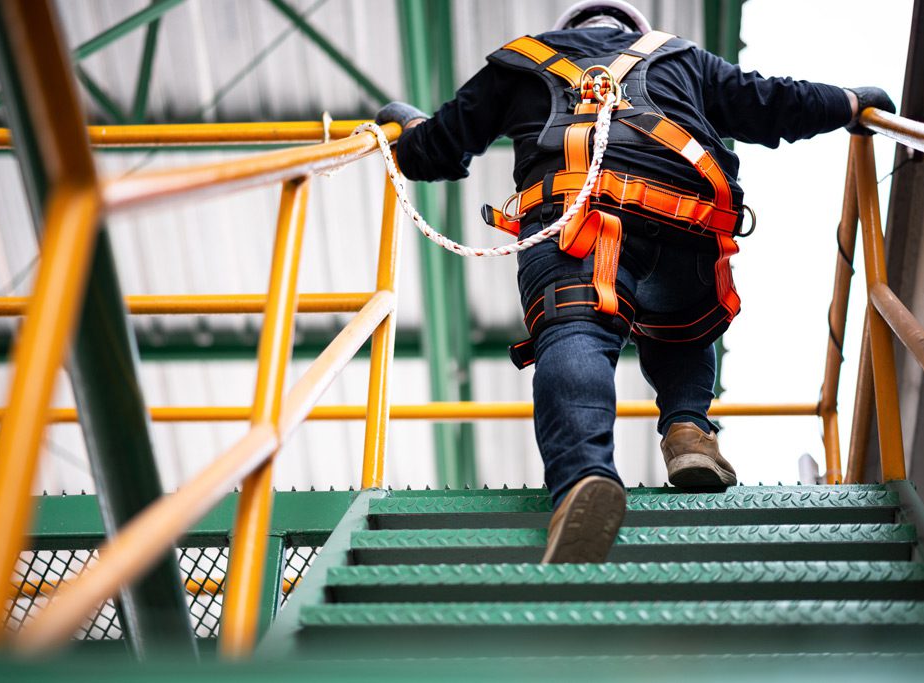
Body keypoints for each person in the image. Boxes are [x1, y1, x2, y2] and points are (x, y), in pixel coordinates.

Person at [376, 0, 895, 563]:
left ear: (565, 33)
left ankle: (583, 480)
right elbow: (771, 103)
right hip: (686, 223)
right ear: (637, 33)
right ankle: (689, 431)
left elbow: (432, 152)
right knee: (682, 331)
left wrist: (404, 123)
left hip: (576, 222)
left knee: (574, 334)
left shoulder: (518, 64)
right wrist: (849, 103)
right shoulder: (681, 57)